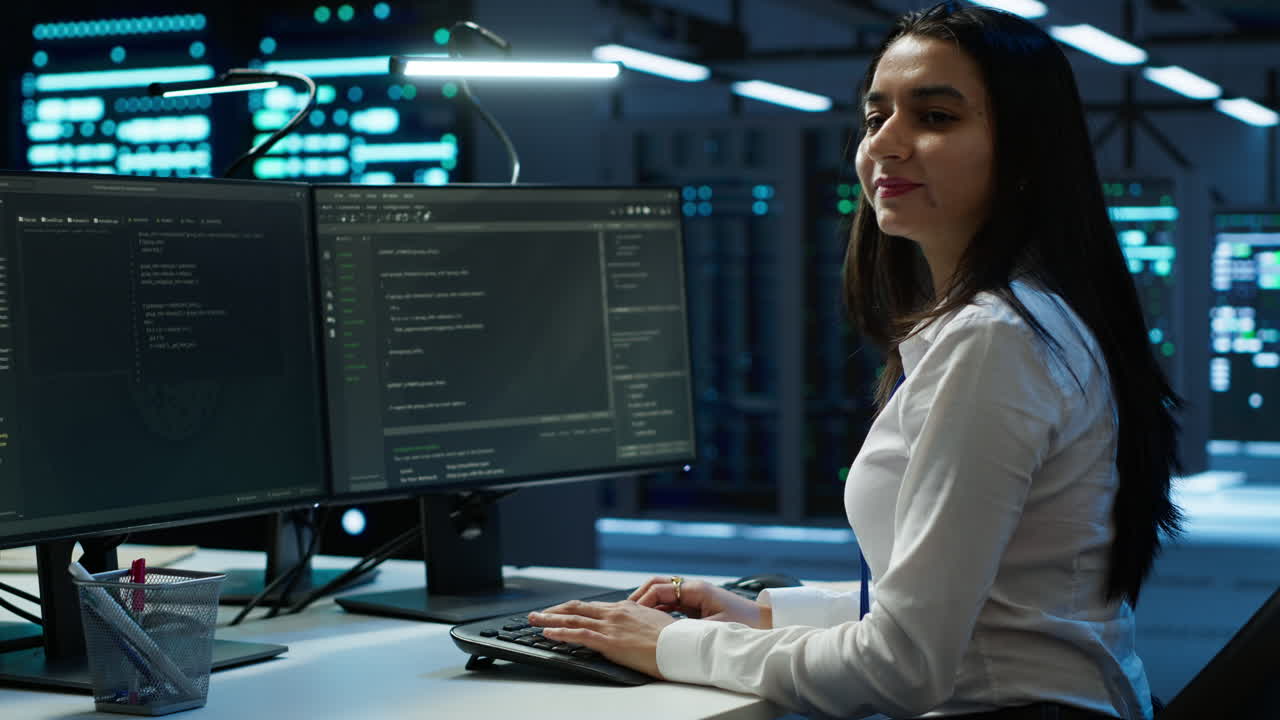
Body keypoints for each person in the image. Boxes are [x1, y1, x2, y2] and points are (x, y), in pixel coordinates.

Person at [528, 3, 1183, 719]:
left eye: (935, 117)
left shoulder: (996, 340)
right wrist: (764, 612)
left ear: (1026, 154)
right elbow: (980, 605)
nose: (886, 145)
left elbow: (904, 667)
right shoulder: (1021, 320)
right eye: (876, 118)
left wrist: (668, 647)